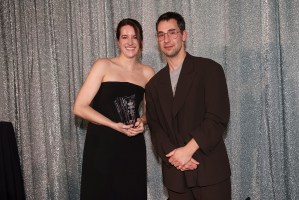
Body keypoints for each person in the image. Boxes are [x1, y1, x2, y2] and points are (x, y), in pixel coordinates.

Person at [145, 12, 231, 200]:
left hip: (209, 171)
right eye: (161, 34)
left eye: (172, 32)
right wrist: (176, 158)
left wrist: (187, 151)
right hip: (175, 176)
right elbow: (156, 128)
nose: (166, 39)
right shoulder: (152, 85)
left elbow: (217, 118)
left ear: (184, 35)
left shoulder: (210, 70)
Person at [73, 18, 154, 200]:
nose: (130, 42)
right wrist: (113, 125)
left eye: (135, 37)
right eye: (125, 37)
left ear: (141, 41)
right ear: (118, 40)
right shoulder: (103, 65)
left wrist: (142, 121)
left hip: (131, 146)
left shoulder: (148, 73)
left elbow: (150, 113)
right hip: (102, 145)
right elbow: (79, 107)